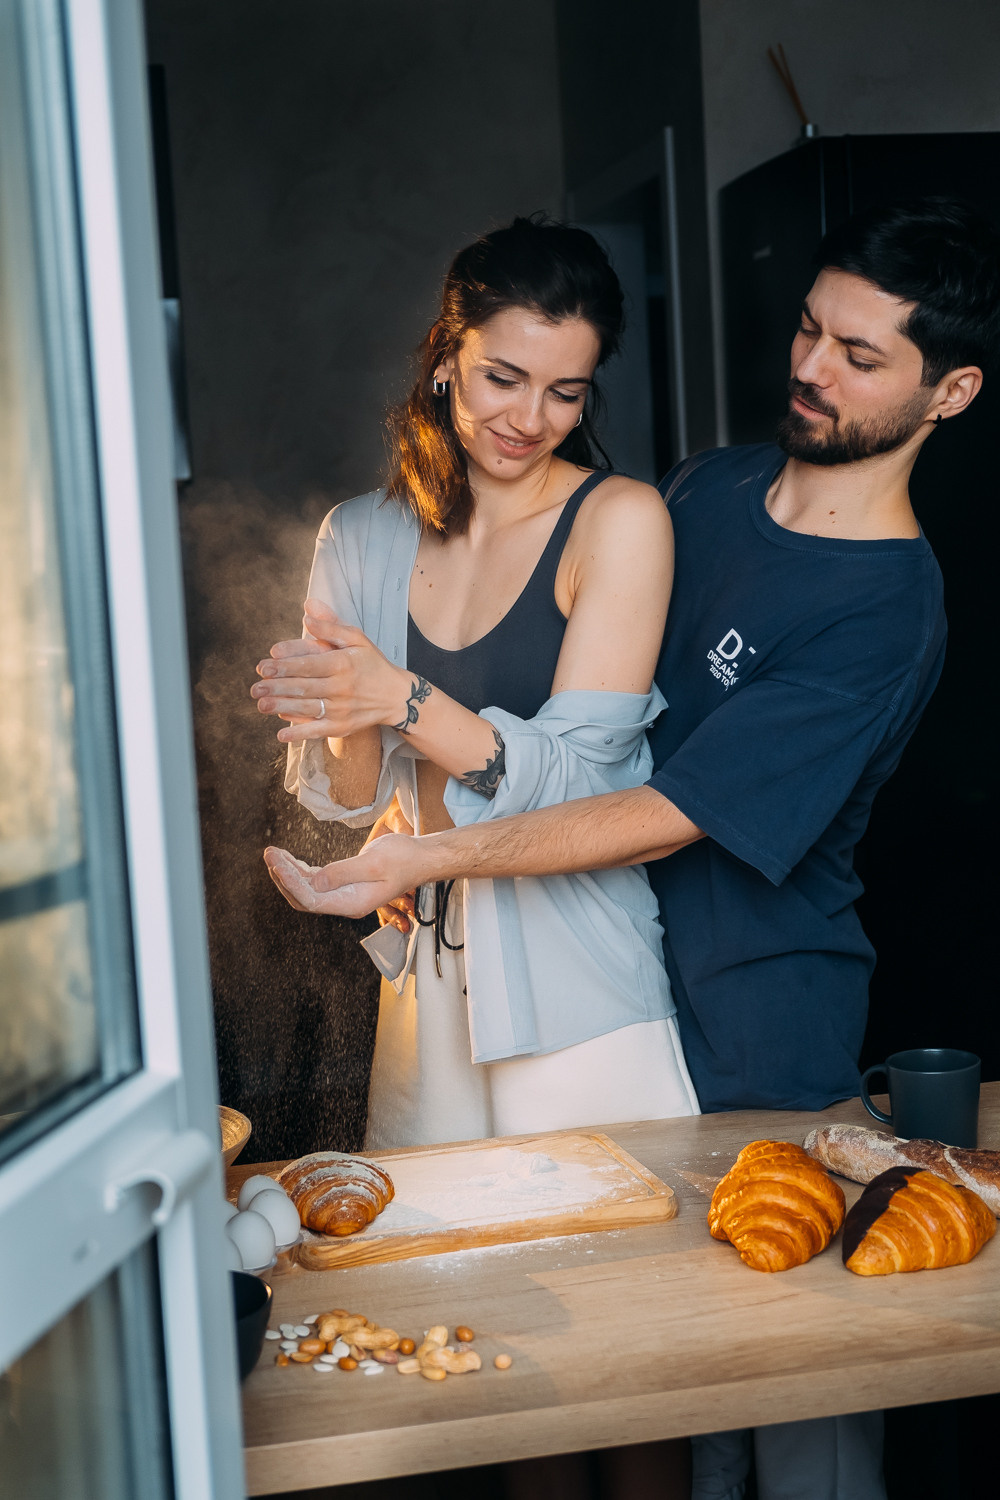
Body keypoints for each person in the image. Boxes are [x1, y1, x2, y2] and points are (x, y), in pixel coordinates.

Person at [264, 198, 1000, 1500]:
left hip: (744, 1001)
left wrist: (414, 794)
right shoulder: (708, 488)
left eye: (860, 355)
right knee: (548, 1358)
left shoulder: (878, 609)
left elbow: (639, 798)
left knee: (760, 1381)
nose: (812, 369)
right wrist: (352, 739)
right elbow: (412, 762)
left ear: (953, 394)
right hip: (525, 966)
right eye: (810, 331)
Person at [252, 215, 700, 1152]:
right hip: (426, 970)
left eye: (564, 393)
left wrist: (400, 697)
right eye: (503, 378)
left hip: (578, 980)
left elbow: (583, 791)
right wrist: (352, 713)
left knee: (610, 1273)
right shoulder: (360, 535)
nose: (529, 420)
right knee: (430, 1277)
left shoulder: (618, 520)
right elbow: (346, 798)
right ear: (445, 358)